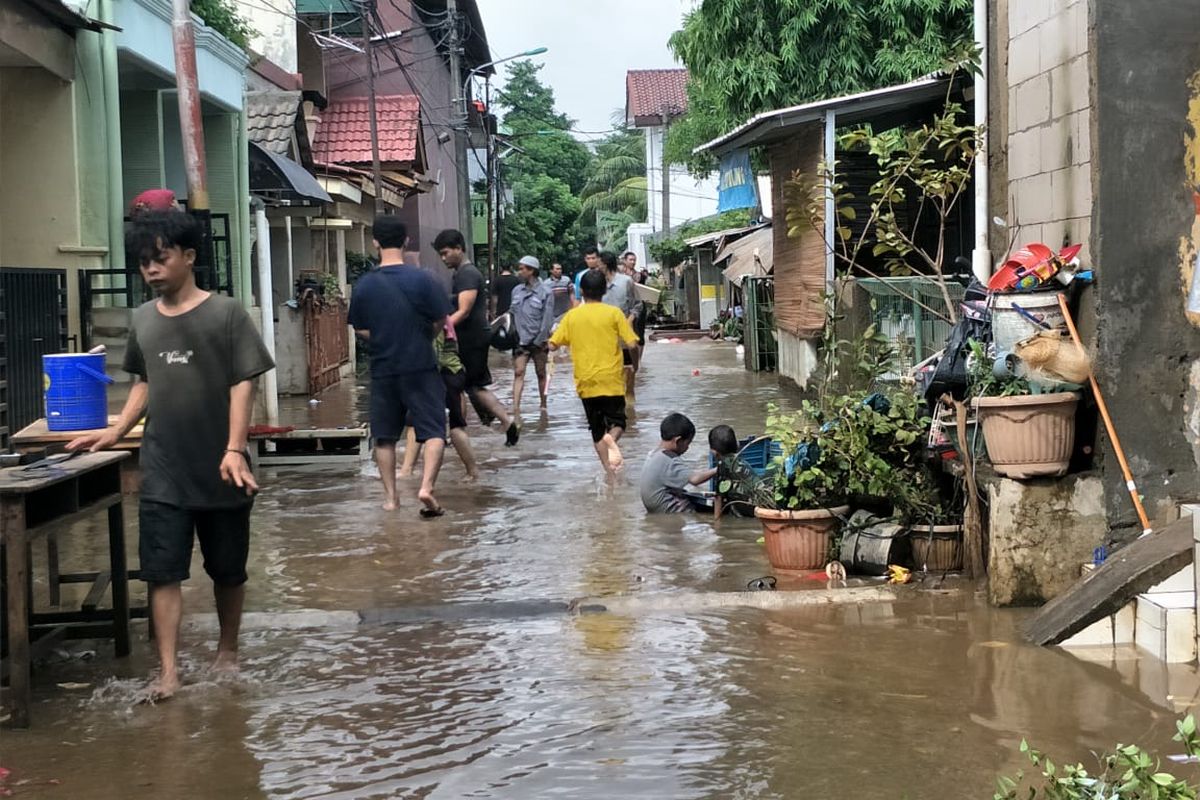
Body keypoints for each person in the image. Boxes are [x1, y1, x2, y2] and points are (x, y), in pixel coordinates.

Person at [67, 210, 274, 700]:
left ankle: (227, 650)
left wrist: (234, 448)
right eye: (143, 263)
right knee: (161, 572)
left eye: (160, 259)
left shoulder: (226, 314)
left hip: (223, 468)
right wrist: (115, 431)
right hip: (162, 468)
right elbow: (144, 383)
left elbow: (243, 381)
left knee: (228, 569)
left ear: (189, 257)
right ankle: (167, 671)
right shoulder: (142, 320)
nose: (151, 270)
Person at [349, 215, 451, 516]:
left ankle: (392, 499)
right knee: (434, 431)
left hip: (383, 368)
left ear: (375, 242)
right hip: (420, 365)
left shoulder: (365, 285)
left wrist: (382, 338)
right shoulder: (425, 279)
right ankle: (426, 487)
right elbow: (440, 321)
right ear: (406, 241)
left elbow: (359, 328)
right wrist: (421, 337)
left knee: (384, 436)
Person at [548, 269, 639, 477]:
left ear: (581, 290)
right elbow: (632, 343)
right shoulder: (614, 313)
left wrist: (550, 342)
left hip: (585, 383)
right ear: (604, 290)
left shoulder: (571, 317)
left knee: (596, 431)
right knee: (619, 423)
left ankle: (609, 472)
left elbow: (553, 345)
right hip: (611, 380)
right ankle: (612, 439)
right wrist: (634, 364)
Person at [434, 228, 519, 446]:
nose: (443, 259)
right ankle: (500, 423)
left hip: (471, 340)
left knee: (464, 386)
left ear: (459, 248)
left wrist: (439, 331)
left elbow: (463, 310)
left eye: (446, 253)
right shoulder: (461, 273)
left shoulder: (467, 274)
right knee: (470, 387)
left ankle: (460, 431)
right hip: (470, 338)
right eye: (440, 255)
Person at [400, 321, 479, 481]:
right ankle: (407, 469)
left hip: (445, 375)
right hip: (447, 374)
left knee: (455, 427)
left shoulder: (434, 318)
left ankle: (473, 472)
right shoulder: (435, 314)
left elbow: (433, 354)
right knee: (414, 421)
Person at [640, 413, 719, 513]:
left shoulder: (652, 454)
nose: (687, 448)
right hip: (670, 512)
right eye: (687, 443)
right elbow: (695, 480)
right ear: (678, 441)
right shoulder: (670, 460)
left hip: (656, 509)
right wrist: (719, 468)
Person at [509, 255, 556, 417]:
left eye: (522, 269)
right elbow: (512, 313)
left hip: (539, 341)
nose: (519, 271)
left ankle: (543, 405)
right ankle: (515, 407)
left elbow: (547, 319)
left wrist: (541, 339)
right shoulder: (516, 291)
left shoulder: (546, 292)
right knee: (518, 372)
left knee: (541, 373)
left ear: (532, 271)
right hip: (521, 341)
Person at [600, 250, 641, 398]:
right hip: (604, 332)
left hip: (623, 329)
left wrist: (629, 322)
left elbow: (637, 305)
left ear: (605, 264)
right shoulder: (597, 283)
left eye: (599, 263)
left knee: (628, 366)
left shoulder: (626, 281)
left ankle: (629, 395)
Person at [708, 425, 764, 517]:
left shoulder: (723, 465)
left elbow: (719, 497)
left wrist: (716, 524)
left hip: (745, 512)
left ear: (715, 452)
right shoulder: (741, 461)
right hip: (758, 507)